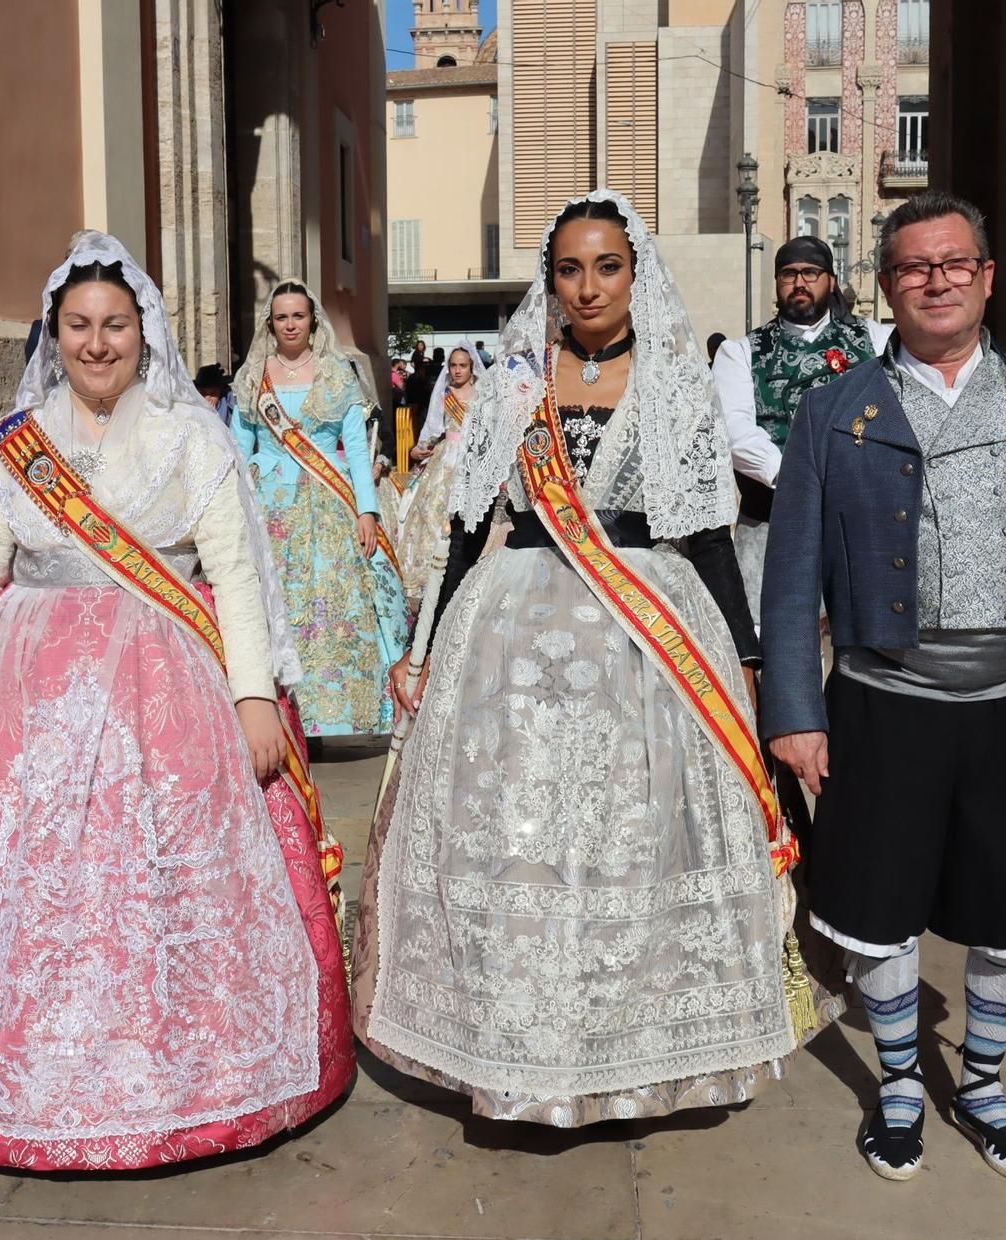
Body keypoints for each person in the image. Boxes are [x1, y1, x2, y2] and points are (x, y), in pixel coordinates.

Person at [353, 190, 843, 1127]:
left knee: (639, 836)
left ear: (635, 273)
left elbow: (705, 534)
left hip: (648, 636)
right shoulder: (511, 383)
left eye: (606, 266)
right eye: (568, 269)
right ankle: (517, 1045)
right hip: (514, 639)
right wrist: (426, 646)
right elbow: (466, 533)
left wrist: (742, 655)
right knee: (522, 838)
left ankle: (637, 1050)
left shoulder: (670, 383)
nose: (586, 287)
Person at [0, 233, 353, 1171]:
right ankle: (27, 1085)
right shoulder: (15, 446)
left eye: (116, 326)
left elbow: (237, 574)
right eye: (79, 326)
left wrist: (255, 695)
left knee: (166, 874)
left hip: (168, 688)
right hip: (31, 688)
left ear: (145, 332)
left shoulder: (189, 435)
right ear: (53, 334)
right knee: (36, 884)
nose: (98, 344)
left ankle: (189, 1083)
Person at [760, 192, 1006, 1183]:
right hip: (882, 704)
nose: (935, 280)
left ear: (986, 276)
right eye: (913, 267)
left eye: (954, 263)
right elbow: (791, 570)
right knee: (877, 908)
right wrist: (794, 710)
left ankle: (979, 1079)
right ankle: (893, 1080)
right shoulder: (832, 410)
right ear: (884, 287)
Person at [232, 282, 409, 738]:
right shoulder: (254, 377)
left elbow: (353, 443)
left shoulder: (336, 374)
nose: (290, 324)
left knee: (335, 601)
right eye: (281, 317)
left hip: (330, 499)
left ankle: (333, 712)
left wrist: (366, 510)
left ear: (312, 321)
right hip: (270, 500)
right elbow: (237, 445)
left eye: (298, 316)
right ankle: (274, 708)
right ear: (270, 324)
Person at [712, 235, 891, 625]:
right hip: (772, 520)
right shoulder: (741, 352)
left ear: (829, 279)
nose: (799, 282)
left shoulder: (877, 341)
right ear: (777, 283)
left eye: (810, 272)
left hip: (858, 521)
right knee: (771, 637)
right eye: (789, 274)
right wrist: (796, 479)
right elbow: (734, 430)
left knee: (860, 638)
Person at [393, 339, 488, 600]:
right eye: (454, 365)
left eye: (463, 366)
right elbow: (433, 428)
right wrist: (417, 449)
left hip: (471, 460)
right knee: (431, 510)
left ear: (472, 368)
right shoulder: (445, 393)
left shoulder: (483, 394)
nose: (458, 370)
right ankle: (429, 572)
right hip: (445, 456)